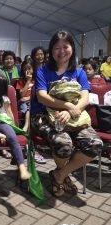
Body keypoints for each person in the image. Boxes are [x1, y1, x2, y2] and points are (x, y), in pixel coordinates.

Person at [31, 30, 103, 197]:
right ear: (51, 50)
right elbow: (42, 97)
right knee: (64, 145)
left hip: (74, 117)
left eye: (66, 46)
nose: (61, 51)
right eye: (57, 47)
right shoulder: (43, 71)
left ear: (72, 49)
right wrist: (68, 106)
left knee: (95, 144)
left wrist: (71, 112)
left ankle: (60, 174)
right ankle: (62, 176)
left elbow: (85, 97)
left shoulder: (79, 72)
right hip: (42, 116)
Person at [16, 60, 35, 132]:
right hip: (22, 103)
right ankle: (26, 127)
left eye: (29, 68)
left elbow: (37, 95)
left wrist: (29, 98)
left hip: (32, 101)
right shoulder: (20, 81)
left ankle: (26, 126)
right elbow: (22, 95)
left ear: (33, 69)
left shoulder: (36, 80)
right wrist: (28, 81)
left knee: (29, 105)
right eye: (25, 69)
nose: (27, 71)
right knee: (27, 105)